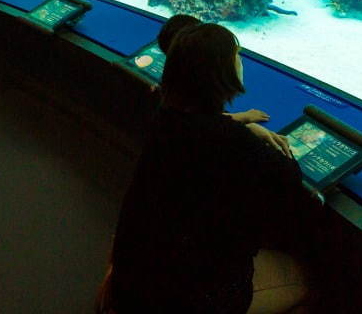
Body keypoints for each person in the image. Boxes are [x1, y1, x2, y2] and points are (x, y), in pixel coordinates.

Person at [104, 23, 324, 314]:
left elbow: (200, 127)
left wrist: (235, 120)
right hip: (194, 299)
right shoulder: (238, 147)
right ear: (222, 73)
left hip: (132, 282)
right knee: (307, 282)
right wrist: (244, 132)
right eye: (238, 56)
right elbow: (290, 188)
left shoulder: (164, 120)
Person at [156, 14, 292, 158]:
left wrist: (241, 119)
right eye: (235, 55)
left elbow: (204, 120)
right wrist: (247, 132)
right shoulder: (230, 138)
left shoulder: (168, 109)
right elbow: (289, 175)